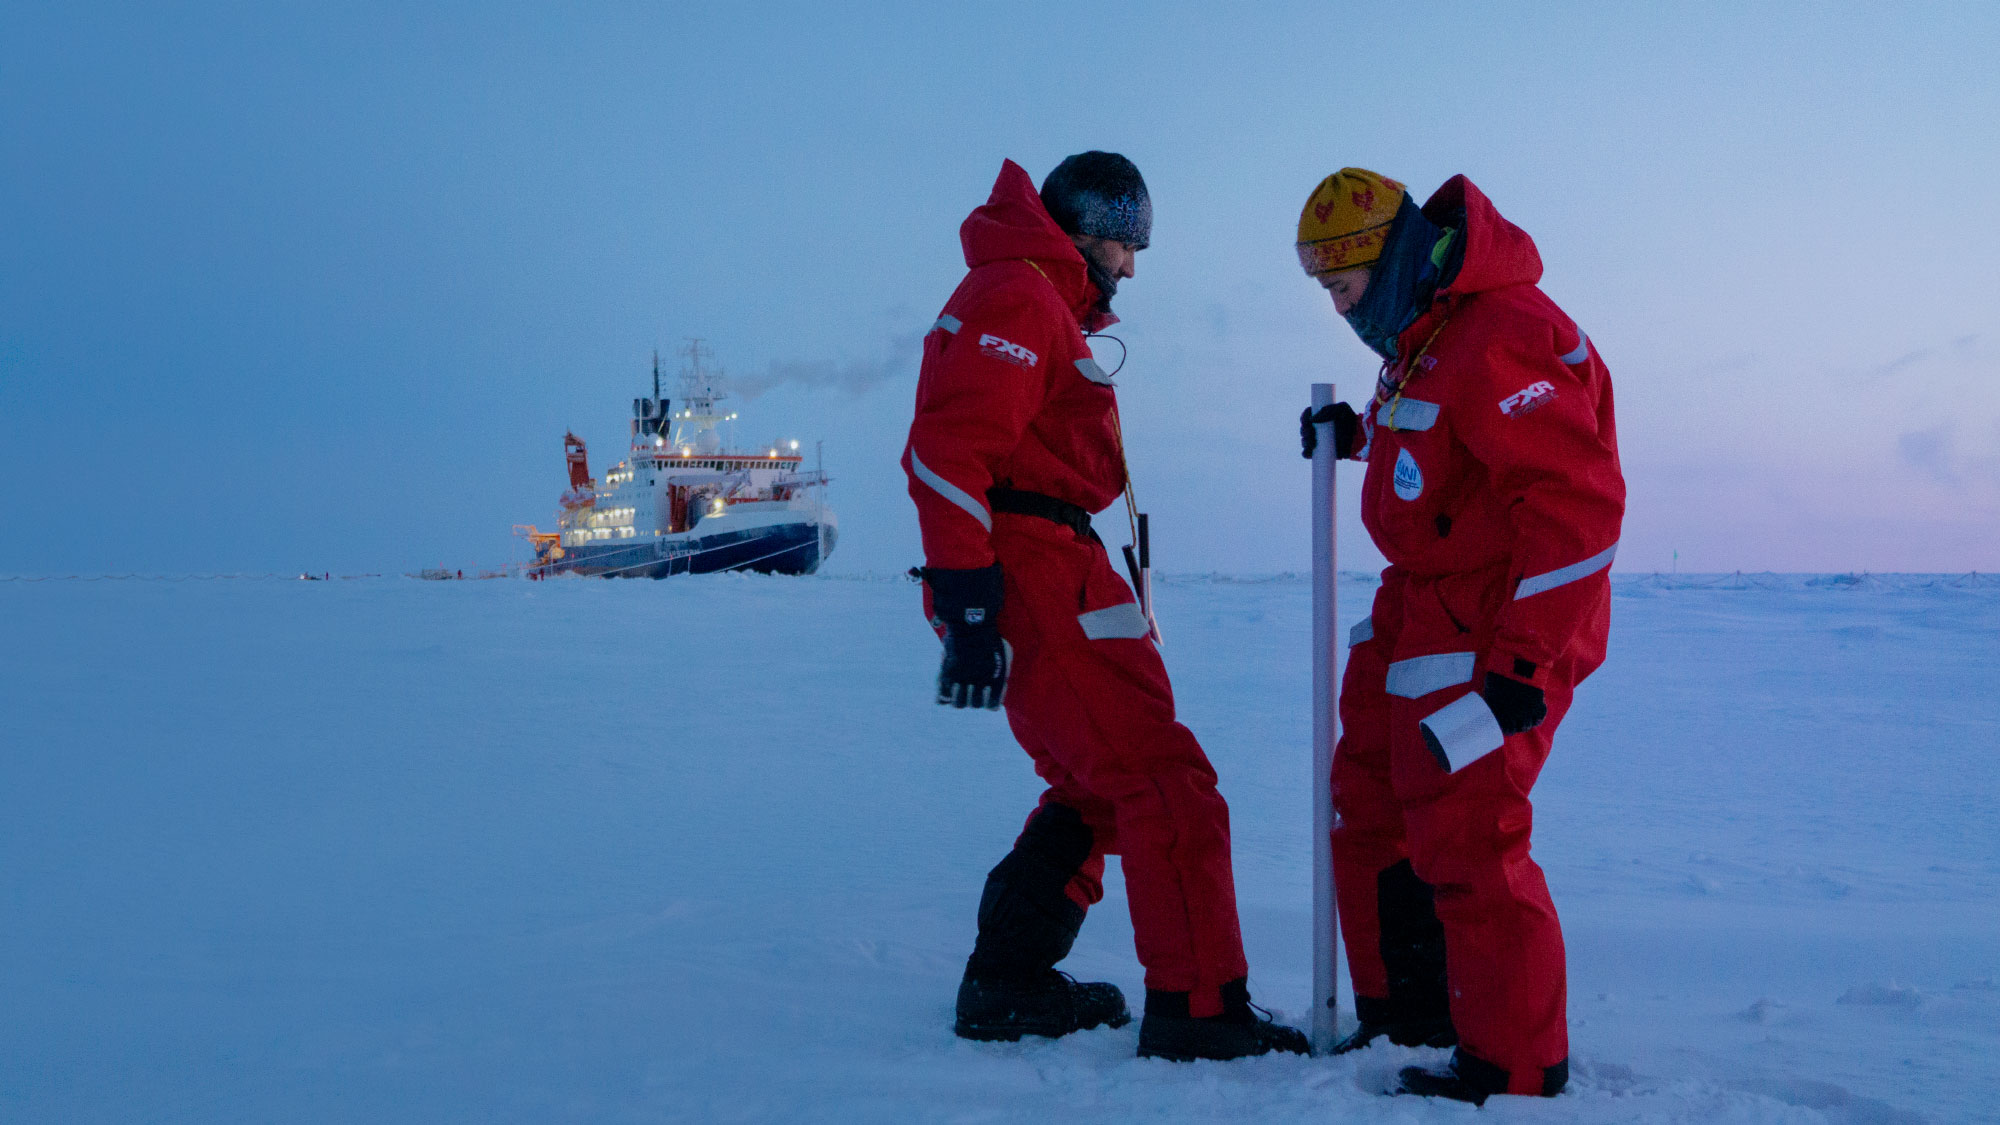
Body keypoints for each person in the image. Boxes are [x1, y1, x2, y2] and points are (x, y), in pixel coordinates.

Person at [903, 153, 1307, 1061]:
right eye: (1127, 243)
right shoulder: (1018, 293)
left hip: (1055, 564)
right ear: (1087, 230)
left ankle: (1007, 980)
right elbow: (945, 451)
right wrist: (969, 603)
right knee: (1169, 785)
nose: (1132, 266)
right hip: (1038, 569)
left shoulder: (1033, 298)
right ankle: (1200, 1012)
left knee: (1095, 789)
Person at [1295, 169, 1624, 1104]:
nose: (1338, 304)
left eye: (1343, 283)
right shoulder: (1427, 334)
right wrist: (1353, 434)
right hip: (1418, 607)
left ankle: (1512, 1064)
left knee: (1473, 833)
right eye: (1325, 288)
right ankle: (1412, 1010)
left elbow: (1576, 506)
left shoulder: (1502, 329)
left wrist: (1527, 662)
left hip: (1496, 624)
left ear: (1388, 254)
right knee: (1368, 803)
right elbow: (1444, 450)